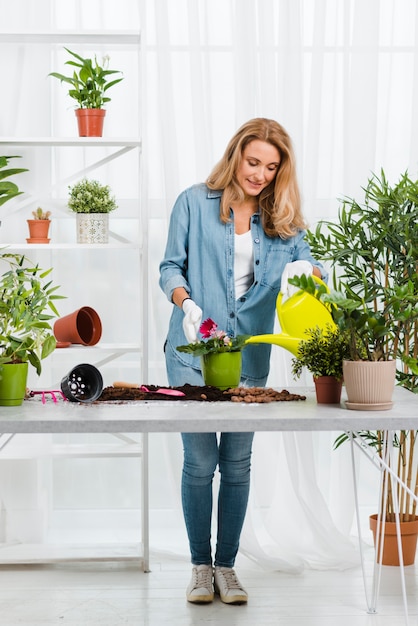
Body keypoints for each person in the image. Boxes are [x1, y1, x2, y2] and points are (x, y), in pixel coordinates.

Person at [159, 118, 326, 605]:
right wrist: (187, 304)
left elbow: (312, 273)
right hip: (193, 351)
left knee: (236, 463)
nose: (260, 175)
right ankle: (199, 567)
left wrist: (308, 271)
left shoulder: (283, 220)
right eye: (254, 162)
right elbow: (170, 264)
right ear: (236, 155)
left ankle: (227, 567)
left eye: (271, 168)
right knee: (199, 461)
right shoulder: (194, 201)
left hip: (249, 353)